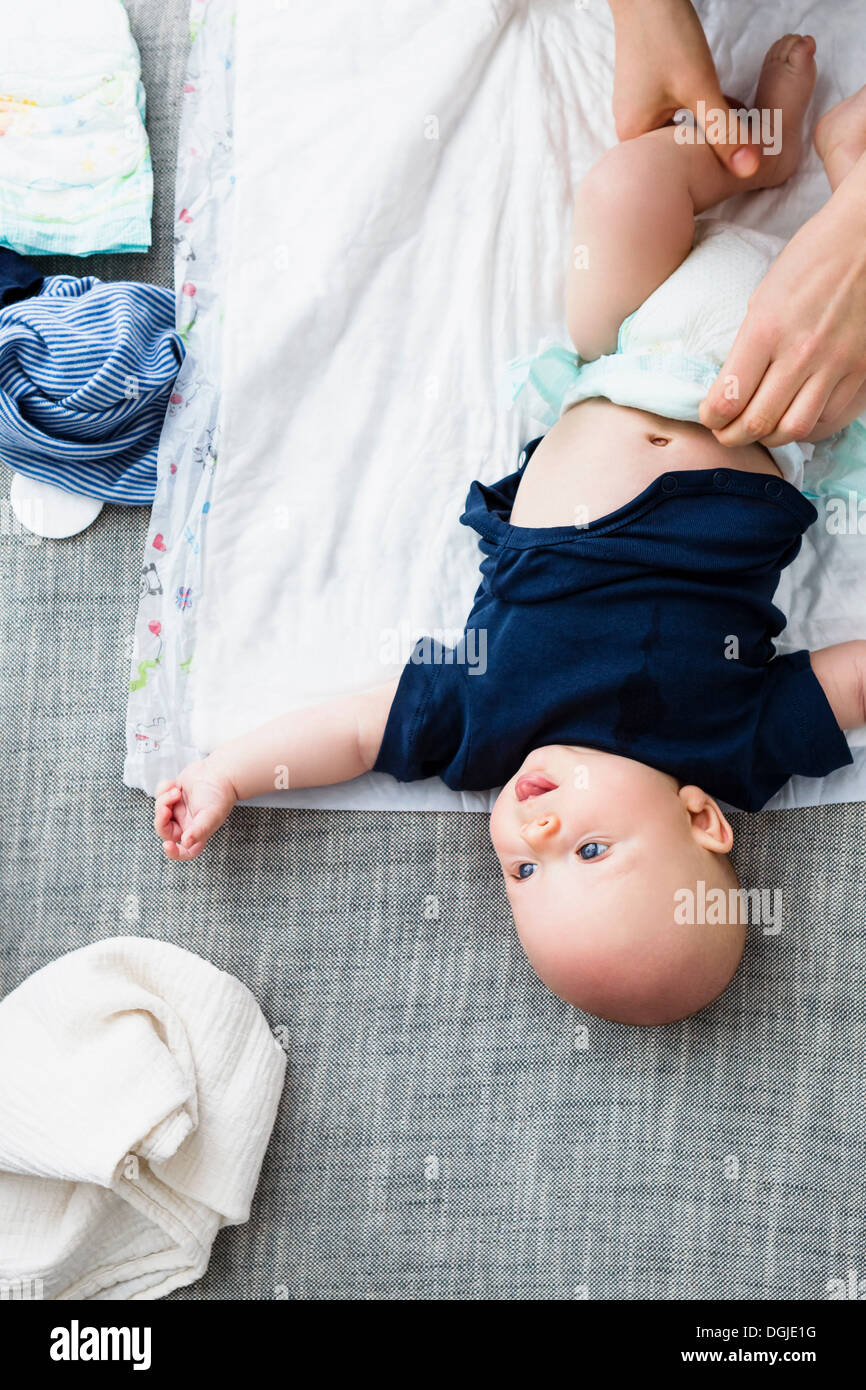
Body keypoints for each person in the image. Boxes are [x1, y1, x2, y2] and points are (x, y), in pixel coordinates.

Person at [154, 28, 865, 1027]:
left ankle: (777, 155)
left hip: (615, 353)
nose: (531, 828)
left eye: (523, 874)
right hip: (757, 392)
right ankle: (825, 167)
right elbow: (848, 680)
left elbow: (357, 728)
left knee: (620, 191)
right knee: (833, 361)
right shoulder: (732, 742)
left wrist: (228, 769)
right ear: (698, 820)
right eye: (584, 849)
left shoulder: (484, 727)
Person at [609, 0, 866, 448]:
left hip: (626, 346)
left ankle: (764, 155)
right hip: (780, 412)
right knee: (831, 400)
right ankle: (837, 160)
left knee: (626, 184)